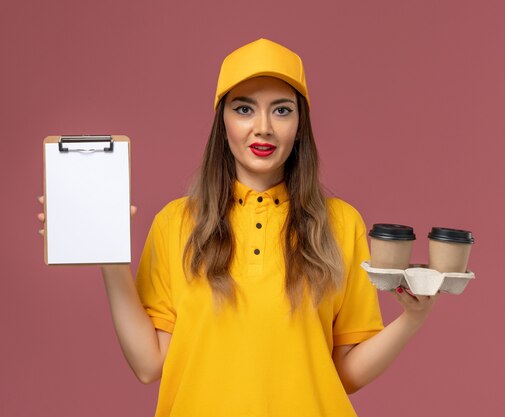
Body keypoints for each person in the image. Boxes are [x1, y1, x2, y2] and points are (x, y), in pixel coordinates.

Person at [39, 38, 438, 417]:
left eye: (282, 110)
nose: (262, 127)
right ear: (222, 121)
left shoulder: (340, 223)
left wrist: (412, 319)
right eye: (244, 109)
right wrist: (109, 255)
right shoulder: (175, 222)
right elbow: (148, 364)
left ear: (300, 123)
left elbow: (346, 372)